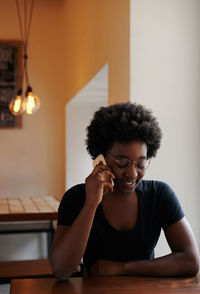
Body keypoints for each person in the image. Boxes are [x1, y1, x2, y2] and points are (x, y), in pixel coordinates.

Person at [50, 102, 200, 280]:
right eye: (122, 162)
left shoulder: (159, 195)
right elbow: (61, 270)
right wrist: (91, 203)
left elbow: (191, 262)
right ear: (101, 157)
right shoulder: (76, 198)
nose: (132, 173)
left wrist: (122, 268)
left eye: (141, 163)